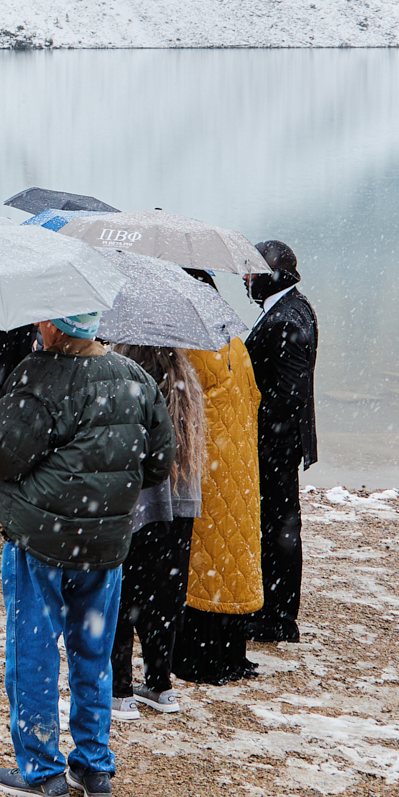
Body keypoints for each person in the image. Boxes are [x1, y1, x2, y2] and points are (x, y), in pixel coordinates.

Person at [0, 311, 172, 797]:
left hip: (44, 543)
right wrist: (101, 493)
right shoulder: (135, 377)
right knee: (93, 653)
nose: (38, 328)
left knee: (33, 650)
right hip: (107, 544)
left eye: (43, 320)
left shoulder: (41, 375)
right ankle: (94, 767)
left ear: (55, 325)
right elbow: (160, 462)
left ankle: (41, 771)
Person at [173, 273, 263, 684]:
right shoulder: (235, 342)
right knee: (234, 558)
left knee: (203, 559)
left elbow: (177, 403)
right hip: (242, 466)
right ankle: (232, 653)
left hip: (206, 464)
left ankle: (199, 657)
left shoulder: (188, 346)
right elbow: (254, 398)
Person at [109, 344, 207, 718]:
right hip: (181, 503)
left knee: (122, 596)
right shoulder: (186, 378)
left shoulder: (130, 377)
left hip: (140, 506)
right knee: (165, 596)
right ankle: (159, 684)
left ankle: (120, 690)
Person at [245, 241, 316, 643]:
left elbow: (289, 393)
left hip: (277, 446)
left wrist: (252, 424)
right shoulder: (296, 307)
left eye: (252, 273)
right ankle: (276, 609)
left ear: (272, 274)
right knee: (280, 526)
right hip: (284, 443)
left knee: (278, 528)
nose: (246, 279)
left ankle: (278, 616)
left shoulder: (285, 319)